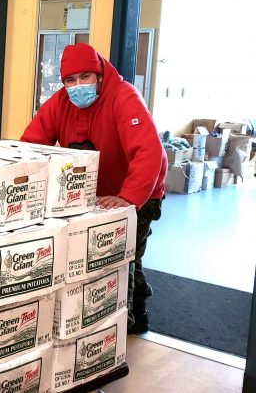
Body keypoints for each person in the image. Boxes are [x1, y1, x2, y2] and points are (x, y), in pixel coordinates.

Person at [21, 43, 167, 334]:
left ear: (100, 75)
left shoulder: (124, 98)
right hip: (93, 198)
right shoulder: (61, 103)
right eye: (70, 81)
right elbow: (29, 146)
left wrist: (128, 198)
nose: (78, 86)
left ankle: (122, 326)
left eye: (85, 77)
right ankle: (127, 312)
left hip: (138, 194)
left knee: (123, 258)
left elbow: (149, 152)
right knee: (112, 259)